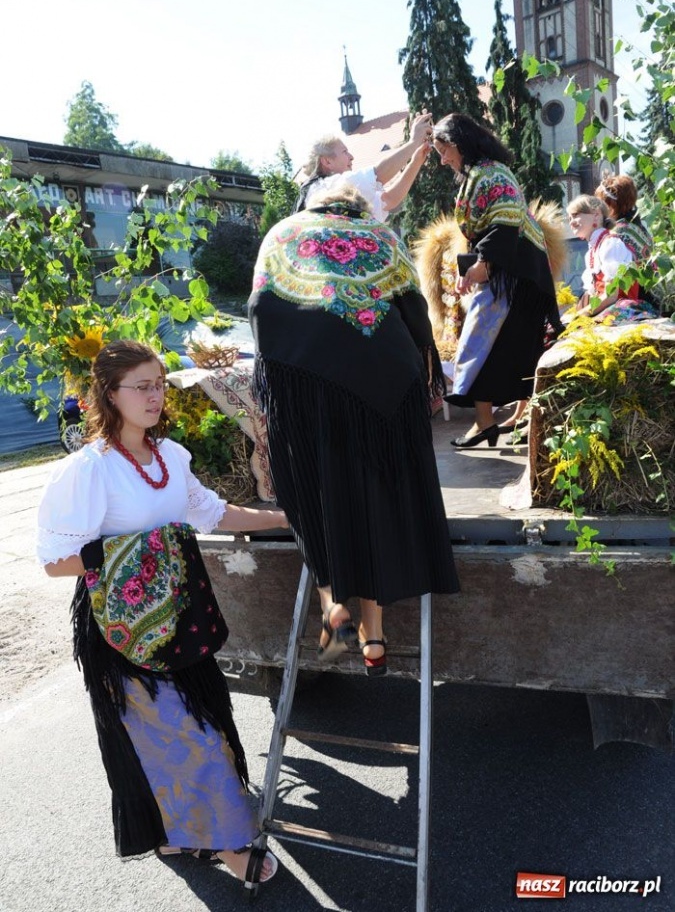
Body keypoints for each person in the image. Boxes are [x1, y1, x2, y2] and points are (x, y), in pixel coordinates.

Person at [36, 340, 288, 893]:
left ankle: (180, 830)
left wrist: (287, 517)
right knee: (179, 734)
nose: (156, 396)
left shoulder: (171, 457)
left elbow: (213, 513)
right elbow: (56, 561)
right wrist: (134, 554)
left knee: (200, 721)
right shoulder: (89, 470)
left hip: (179, 617)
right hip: (122, 626)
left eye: (160, 384)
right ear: (110, 394)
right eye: (142, 387)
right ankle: (224, 841)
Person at [249, 186, 460, 676]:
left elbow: (260, 311)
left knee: (318, 493)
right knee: (378, 496)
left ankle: (333, 612)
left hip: (309, 381)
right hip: (386, 382)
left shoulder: (283, 233)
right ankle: (375, 637)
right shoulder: (380, 234)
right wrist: (423, 376)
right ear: (356, 209)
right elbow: (415, 314)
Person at [430, 113, 563, 448]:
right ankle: (488, 423)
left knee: (495, 350)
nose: (443, 159)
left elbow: (505, 223)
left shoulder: (491, 173)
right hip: (510, 276)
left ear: (459, 143)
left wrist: (481, 266)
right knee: (491, 351)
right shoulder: (482, 174)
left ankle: (512, 424)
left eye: (444, 150)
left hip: (515, 278)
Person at [294, 111, 434, 220]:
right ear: (327, 161)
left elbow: (390, 199)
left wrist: (416, 161)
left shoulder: (321, 187)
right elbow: (378, 174)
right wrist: (413, 142)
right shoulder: (326, 186)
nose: (351, 157)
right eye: (345, 152)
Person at [566, 194, 660, 323]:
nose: (571, 222)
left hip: (622, 308)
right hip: (606, 307)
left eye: (576, 215)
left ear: (596, 215)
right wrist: (570, 315)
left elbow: (611, 294)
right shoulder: (592, 252)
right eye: (569, 217)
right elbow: (592, 295)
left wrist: (580, 315)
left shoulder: (610, 244)